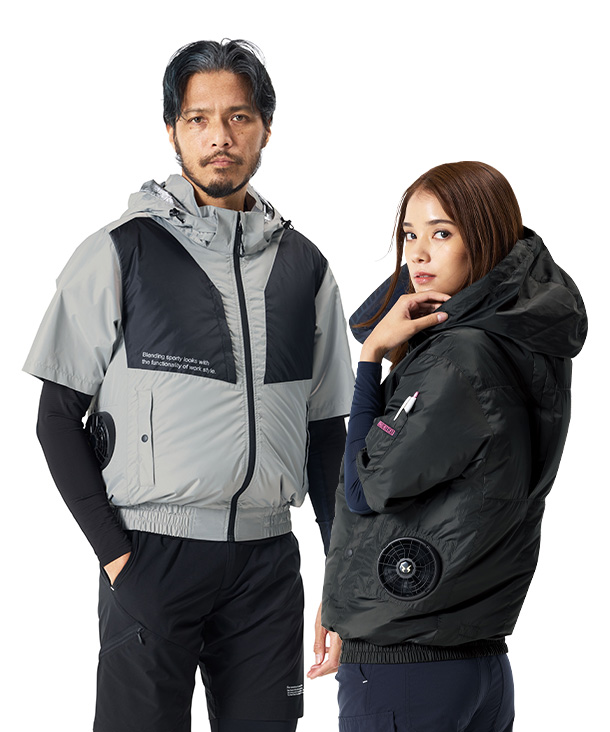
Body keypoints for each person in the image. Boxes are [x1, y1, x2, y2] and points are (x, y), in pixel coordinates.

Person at [24, 39, 354, 732]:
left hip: (267, 563)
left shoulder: (306, 268)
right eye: (198, 119)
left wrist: (341, 572)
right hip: (152, 554)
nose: (219, 137)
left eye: (238, 117)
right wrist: (117, 558)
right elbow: (56, 416)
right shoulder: (121, 250)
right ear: (171, 131)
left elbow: (328, 436)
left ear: (266, 128)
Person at [320, 161, 587, 731]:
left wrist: (370, 358)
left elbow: (366, 485)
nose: (417, 254)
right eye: (409, 235)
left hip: (409, 669)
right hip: (476, 659)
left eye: (441, 233)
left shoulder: (457, 356)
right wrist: (345, 602)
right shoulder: (516, 338)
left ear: (484, 238)